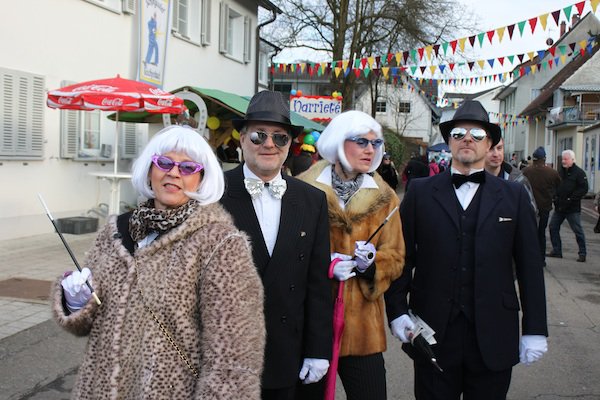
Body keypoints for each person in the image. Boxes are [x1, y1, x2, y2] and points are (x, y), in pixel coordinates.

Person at [53, 125, 266, 399]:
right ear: (150, 169)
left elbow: (234, 353)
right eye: (164, 162)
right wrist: (76, 301)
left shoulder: (220, 244)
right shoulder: (116, 231)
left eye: (188, 167)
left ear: (202, 178)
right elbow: (87, 323)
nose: (174, 172)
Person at [385, 100, 548, 400]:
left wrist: (535, 328)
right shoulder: (421, 192)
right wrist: (396, 311)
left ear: (489, 144)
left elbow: (529, 264)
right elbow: (400, 256)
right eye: (459, 132)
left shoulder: (513, 195)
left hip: (494, 333)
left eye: (477, 133)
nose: (467, 138)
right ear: (449, 141)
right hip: (431, 331)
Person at [220, 90, 333, 400]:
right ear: (242, 139)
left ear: (288, 146)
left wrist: (319, 349)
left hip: (289, 355)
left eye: (279, 137)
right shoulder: (211, 194)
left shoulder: (313, 200)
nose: (268, 144)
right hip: (226, 358)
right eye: (258, 135)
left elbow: (319, 285)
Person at [299, 110, 405, 400]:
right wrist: (326, 263)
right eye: (361, 141)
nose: (370, 149)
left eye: (375, 143)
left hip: (363, 331)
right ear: (337, 142)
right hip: (312, 326)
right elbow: (288, 252)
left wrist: (371, 265)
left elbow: (395, 257)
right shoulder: (302, 189)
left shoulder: (386, 198)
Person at [548, 149, 589, 262]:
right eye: (563, 159)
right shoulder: (559, 172)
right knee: (553, 227)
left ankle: (582, 253)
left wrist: (572, 198)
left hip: (572, 208)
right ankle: (557, 250)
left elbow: (584, 188)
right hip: (559, 207)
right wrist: (554, 197)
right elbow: (554, 186)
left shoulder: (579, 173)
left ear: (572, 159)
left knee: (577, 230)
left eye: (566, 159)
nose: (564, 161)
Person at [522, 147, 561, 265]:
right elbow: (559, 188)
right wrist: (553, 196)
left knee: (528, 233)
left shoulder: (526, 171)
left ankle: (528, 257)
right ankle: (541, 259)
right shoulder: (552, 173)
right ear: (544, 159)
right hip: (545, 207)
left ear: (534, 159)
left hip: (529, 206)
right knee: (541, 233)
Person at [484, 137, 537, 216]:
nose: (496, 154)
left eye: (499, 148)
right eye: (491, 149)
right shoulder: (471, 178)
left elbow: (532, 211)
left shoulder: (518, 179)